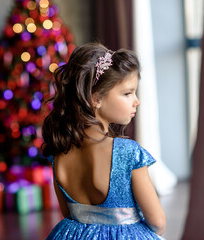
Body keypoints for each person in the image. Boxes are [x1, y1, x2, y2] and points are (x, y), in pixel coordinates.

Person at [42, 43, 166, 239]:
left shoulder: (58, 153)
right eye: (127, 93)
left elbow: (68, 214)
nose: (137, 101)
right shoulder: (127, 152)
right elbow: (158, 222)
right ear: (95, 99)